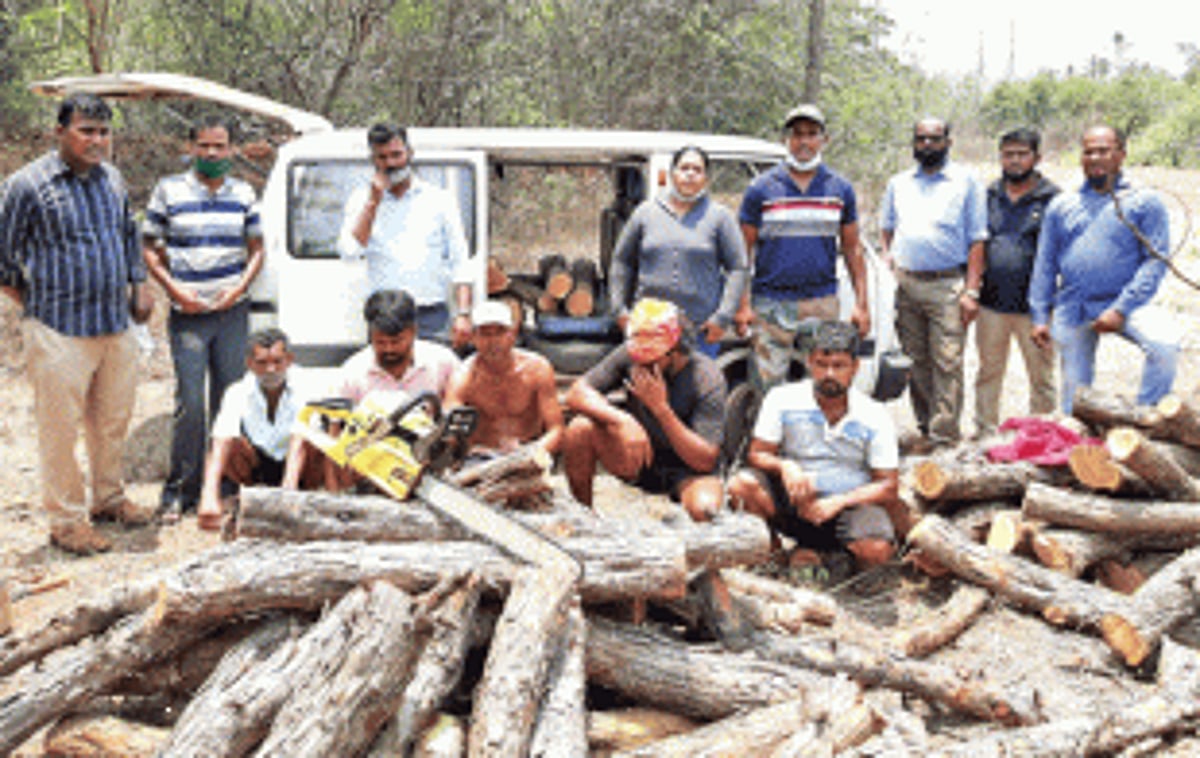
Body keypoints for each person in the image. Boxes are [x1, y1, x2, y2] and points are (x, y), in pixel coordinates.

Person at [0, 93, 153, 554]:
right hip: (58, 328)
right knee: (60, 430)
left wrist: (139, 284)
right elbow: (3, 257)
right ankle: (66, 523)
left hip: (114, 323)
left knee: (111, 421)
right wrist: (34, 299)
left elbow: (129, 234)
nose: (97, 140)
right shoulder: (28, 185)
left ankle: (109, 500)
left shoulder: (113, 180)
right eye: (86, 130)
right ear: (59, 132)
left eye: (104, 131)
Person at [143, 115, 265, 520]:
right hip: (188, 315)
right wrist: (173, 289)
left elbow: (257, 249)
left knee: (228, 403)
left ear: (231, 149)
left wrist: (238, 289)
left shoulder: (244, 193)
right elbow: (149, 248)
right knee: (191, 405)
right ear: (192, 147)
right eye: (205, 146)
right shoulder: (169, 190)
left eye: (220, 146)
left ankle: (226, 485)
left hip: (232, 313)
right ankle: (180, 490)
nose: (212, 153)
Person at [726, 320, 900, 570]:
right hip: (794, 502)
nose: (829, 374)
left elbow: (888, 485)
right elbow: (757, 454)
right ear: (809, 362)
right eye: (822, 364)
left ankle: (828, 558)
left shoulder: (873, 415)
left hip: (847, 508)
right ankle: (775, 557)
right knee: (742, 486)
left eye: (839, 366)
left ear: (855, 367)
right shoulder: (782, 399)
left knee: (876, 552)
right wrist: (785, 466)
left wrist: (839, 502)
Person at [1029, 125, 1177, 414]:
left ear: (1121, 155)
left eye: (1103, 151)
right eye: (1088, 151)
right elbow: (1045, 264)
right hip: (1073, 306)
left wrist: (1121, 309)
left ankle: (1145, 420)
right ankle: (1081, 443)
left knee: (1165, 348)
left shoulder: (1143, 201)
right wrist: (1039, 316)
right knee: (1075, 394)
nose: (1095, 157)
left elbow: (1156, 260)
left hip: (1128, 304)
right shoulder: (1063, 205)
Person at [737, 103, 868, 390]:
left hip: (820, 304)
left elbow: (852, 249)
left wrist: (861, 304)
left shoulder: (840, 189)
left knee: (823, 386)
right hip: (769, 305)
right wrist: (743, 303)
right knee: (767, 390)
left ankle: (816, 437)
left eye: (811, 134)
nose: (804, 142)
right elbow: (742, 254)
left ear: (824, 140)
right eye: (797, 134)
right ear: (787, 139)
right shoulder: (761, 188)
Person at [562, 298, 725, 521]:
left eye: (652, 362)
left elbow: (705, 459)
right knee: (579, 428)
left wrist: (661, 410)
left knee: (705, 509)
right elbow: (576, 392)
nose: (642, 367)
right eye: (638, 361)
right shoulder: (630, 355)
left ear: (674, 352)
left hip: (689, 469)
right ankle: (584, 517)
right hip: (640, 457)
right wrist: (621, 420)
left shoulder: (706, 377)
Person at [880, 117, 988, 449]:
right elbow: (887, 227)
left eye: (935, 139)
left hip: (947, 285)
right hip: (906, 283)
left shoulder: (966, 182)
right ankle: (927, 429)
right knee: (915, 361)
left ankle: (945, 436)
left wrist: (971, 290)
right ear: (914, 142)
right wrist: (887, 258)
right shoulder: (898, 183)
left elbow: (977, 240)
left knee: (948, 361)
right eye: (921, 138)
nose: (927, 144)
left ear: (948, 142)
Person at [287, 289, 462, 490]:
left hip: (428, 463)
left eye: (396, 342)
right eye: (380, 342)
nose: (388, 350)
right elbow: (331, 433)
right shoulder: (353, 372)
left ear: (413, 331)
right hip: (371, 470)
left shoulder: (443, 361)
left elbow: (457, 413)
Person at [337, 123, 474, 347]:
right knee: (383, 381)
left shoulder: (439, 200)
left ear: (409, 153)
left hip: (431, 314)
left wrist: (464, 314)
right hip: (385, 315)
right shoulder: (360, 200)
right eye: (382, 157)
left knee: (435, 379)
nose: (390, 163)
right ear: (373, 160)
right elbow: (350, 251)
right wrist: (373, 202)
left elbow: (460, 261)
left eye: (396, 155)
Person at [608, 145, 748, 358]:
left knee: (695, 389)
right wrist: (619, 309)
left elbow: (738, 268)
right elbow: (621, 261)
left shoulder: (720, 217)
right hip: (649, 328)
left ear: (706, 179)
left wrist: (723, 317)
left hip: (699, 331)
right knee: (647, 387)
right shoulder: (646, 213)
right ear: (673, 174)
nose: (690, 174)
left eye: (697, 170)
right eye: (684, 168)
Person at [974, 128, 1060, 436]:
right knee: (988, 373)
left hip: (1036, 309)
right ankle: (984, 432)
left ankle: (1042, 436)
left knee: (1041, 377)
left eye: (1022, 154)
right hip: (991, 304)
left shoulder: (1053, 198)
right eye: (1008, 154)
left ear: (1037, 158)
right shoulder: (989, 195)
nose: (1014, 160)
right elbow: (976, 245)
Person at [196, 328, 325, 530]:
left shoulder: (306, 385)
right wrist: (209, 496)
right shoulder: (237, 391)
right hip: (259, 469)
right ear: (250, 364)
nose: (270, 370)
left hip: (299, 468)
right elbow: (221, 440)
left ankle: (298, 497)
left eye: (277, 362)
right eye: (262, 363)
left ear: (289, 360)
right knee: (229, 445)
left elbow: (300, 439)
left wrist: (287, 494)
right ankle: (252, 498)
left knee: (311, 442)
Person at [444, 300, 563, 455]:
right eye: (485, 333)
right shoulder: (463, 376)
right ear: (473, 337)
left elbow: (556, 429)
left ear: (512, 334)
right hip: (481, 457)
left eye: (500, 332)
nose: (493, 341)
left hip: (530, 452)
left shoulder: (537, 369)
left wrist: (532, 454)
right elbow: (449, 423)